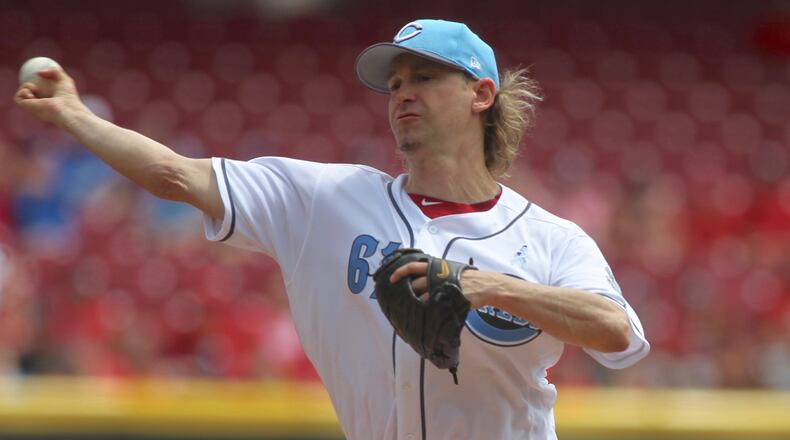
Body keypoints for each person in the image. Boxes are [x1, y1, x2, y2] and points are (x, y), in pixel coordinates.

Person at [15, 18, 649, 440]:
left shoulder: (549, 238)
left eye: (425, 77)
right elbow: (177, 177)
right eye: (394, 83)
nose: (403, 93)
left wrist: (489, 288)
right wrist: (74, 115)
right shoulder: (325, 199)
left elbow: (616, 331)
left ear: (481, 94)